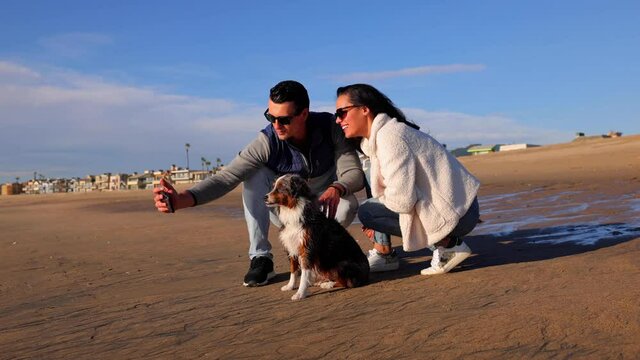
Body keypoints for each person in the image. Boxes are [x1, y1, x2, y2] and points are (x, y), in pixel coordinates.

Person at [154, 80, 365, 286]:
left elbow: (353, 173)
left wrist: (336, 187)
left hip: (321, 207)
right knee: (253, 174)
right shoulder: (267, 140)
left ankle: (319, 257)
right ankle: (261, 257)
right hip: (283, 210)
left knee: (348, 206)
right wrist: (183, 199)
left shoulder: (330, 128)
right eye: (270, 117)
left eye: (283, 119)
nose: (276, 125)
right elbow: (227, 177)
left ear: (303, 114)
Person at [334, 84, 480, 275]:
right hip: (459, 207)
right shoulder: (383, 136)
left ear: (364, 109)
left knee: (369, 211)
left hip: (458, 214)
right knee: (374, 208)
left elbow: (402, 201)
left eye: (342, 112)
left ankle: (449, 246)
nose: (338, 120)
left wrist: (375, 217)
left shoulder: (390, 137)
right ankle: (447, 247)